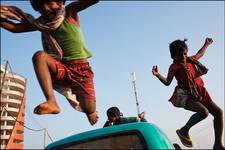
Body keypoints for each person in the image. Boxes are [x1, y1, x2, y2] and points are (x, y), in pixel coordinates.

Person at [0, 0, 99, 125]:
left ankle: (91, 112)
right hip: (61, 67)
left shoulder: (69, 12)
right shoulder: (41, 23)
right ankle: (52, 102)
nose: (45, 9)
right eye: (40, 7)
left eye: (49, 3)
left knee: (89, 108)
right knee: (39, 56)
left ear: (60, 2)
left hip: (81, 70)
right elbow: (14, 28)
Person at [152, 38, 224, 149]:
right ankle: (183, 130)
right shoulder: (173, 67)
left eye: (185, 54)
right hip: (186, 95)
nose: (183, 57)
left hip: (200, 92)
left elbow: (200, 53)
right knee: (204, 112)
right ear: (173, 56)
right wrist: (157, 74)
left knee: (218, 112)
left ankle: (218, 144)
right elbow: (167, 82)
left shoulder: (191, 60)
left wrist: (206, 44)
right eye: (180, 55)